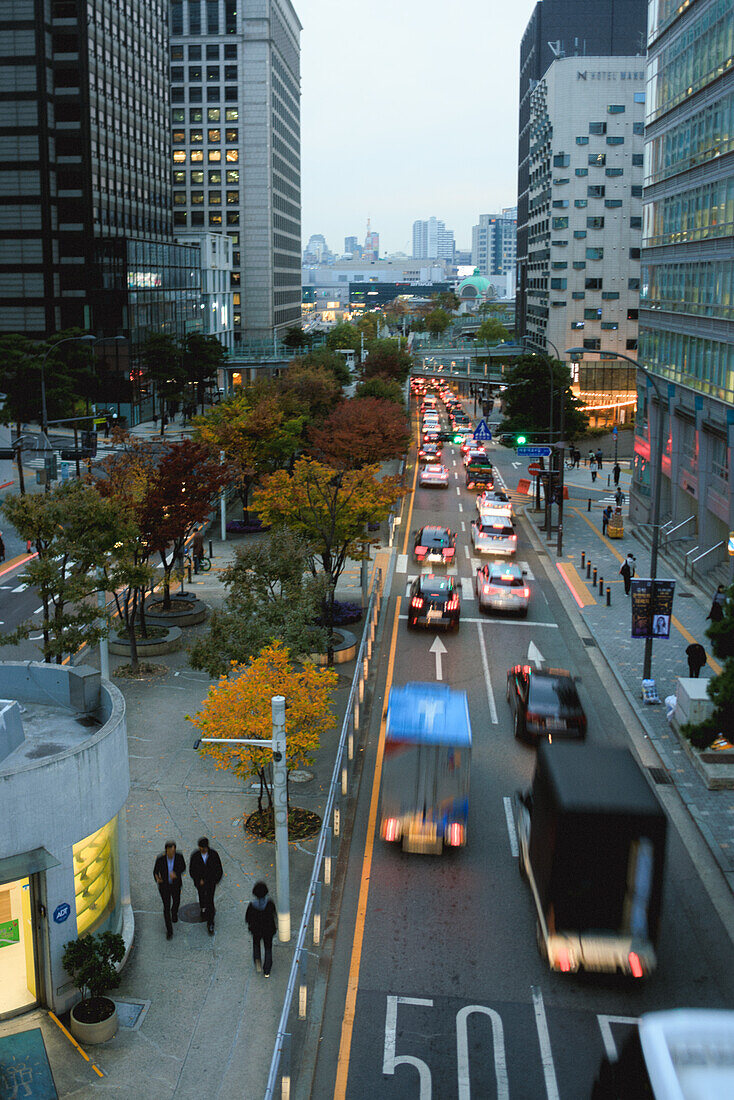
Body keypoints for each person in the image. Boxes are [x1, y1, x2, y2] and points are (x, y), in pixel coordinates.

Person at [189, 837, 223, 935]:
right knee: (201, 896)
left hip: (210, 882)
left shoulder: (213, 855)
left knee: (210, 900)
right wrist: (197, 880)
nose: (202, 849)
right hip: (200, 883)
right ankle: (203, 908)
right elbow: (192, 870)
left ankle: (210, 922)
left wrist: (215, 880)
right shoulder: (195, 856)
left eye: (204, 848)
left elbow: (219, 868)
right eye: (201, 848)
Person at [154, 842, 186, 940]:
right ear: (166, 850)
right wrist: (157, 879)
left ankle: (174, 912)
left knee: (176, 901)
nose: (172, 853)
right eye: (170, 851)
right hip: (165, 886)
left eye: (173, 851)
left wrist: (176, 873)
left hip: (175, 885)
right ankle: (169, 930)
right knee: (166, 906)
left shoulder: (179, 857)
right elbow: (155, 871)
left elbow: (183, 867)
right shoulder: (161, 859)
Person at [246, 881, 278, 977]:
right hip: (268, 930)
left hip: (256, 931)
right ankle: (267, 970)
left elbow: (247, 918)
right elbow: (274, 915)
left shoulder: (252, 905)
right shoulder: (270, 904)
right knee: (268, 948)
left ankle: (258, 963)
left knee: (256, 946)